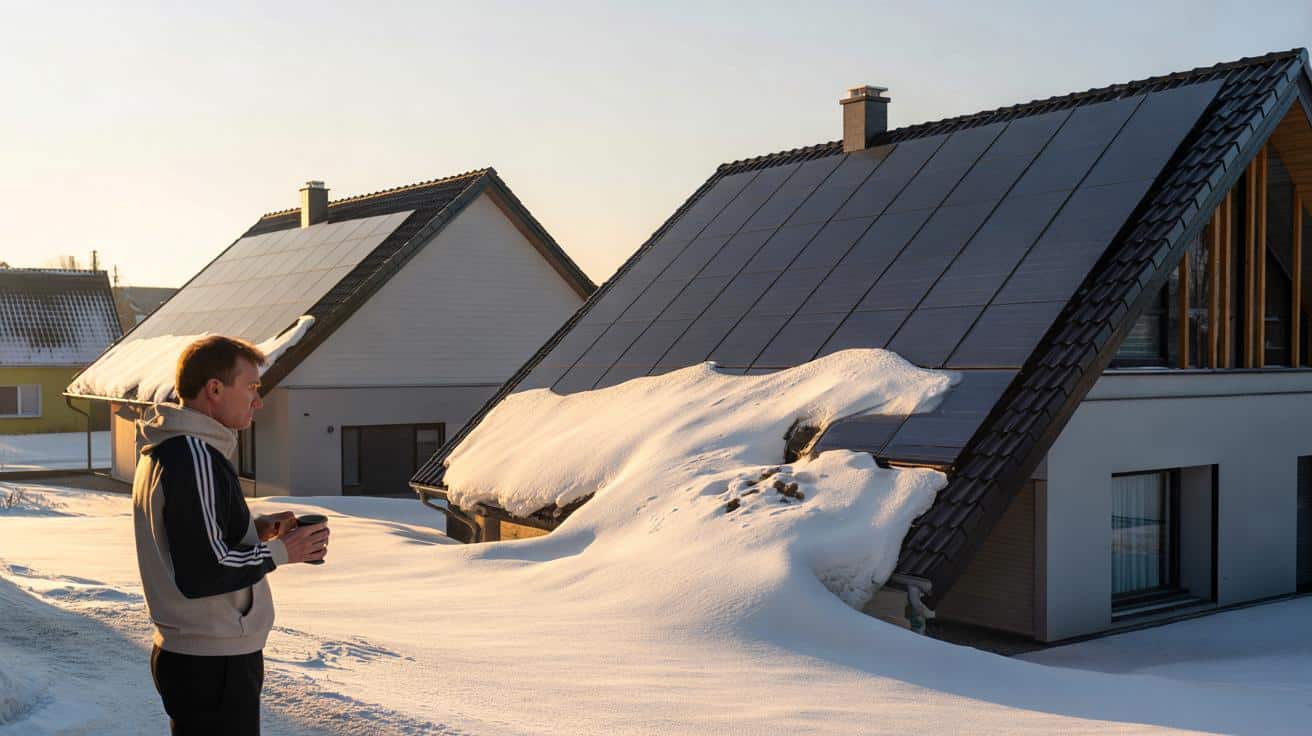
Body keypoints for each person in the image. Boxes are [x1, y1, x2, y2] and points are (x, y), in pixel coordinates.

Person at [132, 335, 329, 735]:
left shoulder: (171, 450)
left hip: (195, 654)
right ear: (215, 389)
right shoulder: (194, 456)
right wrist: (280, 551)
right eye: (252, 388)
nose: (259, 401)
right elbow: (204, 571)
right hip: (212, 661)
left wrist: (252, 532)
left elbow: (191, 542)